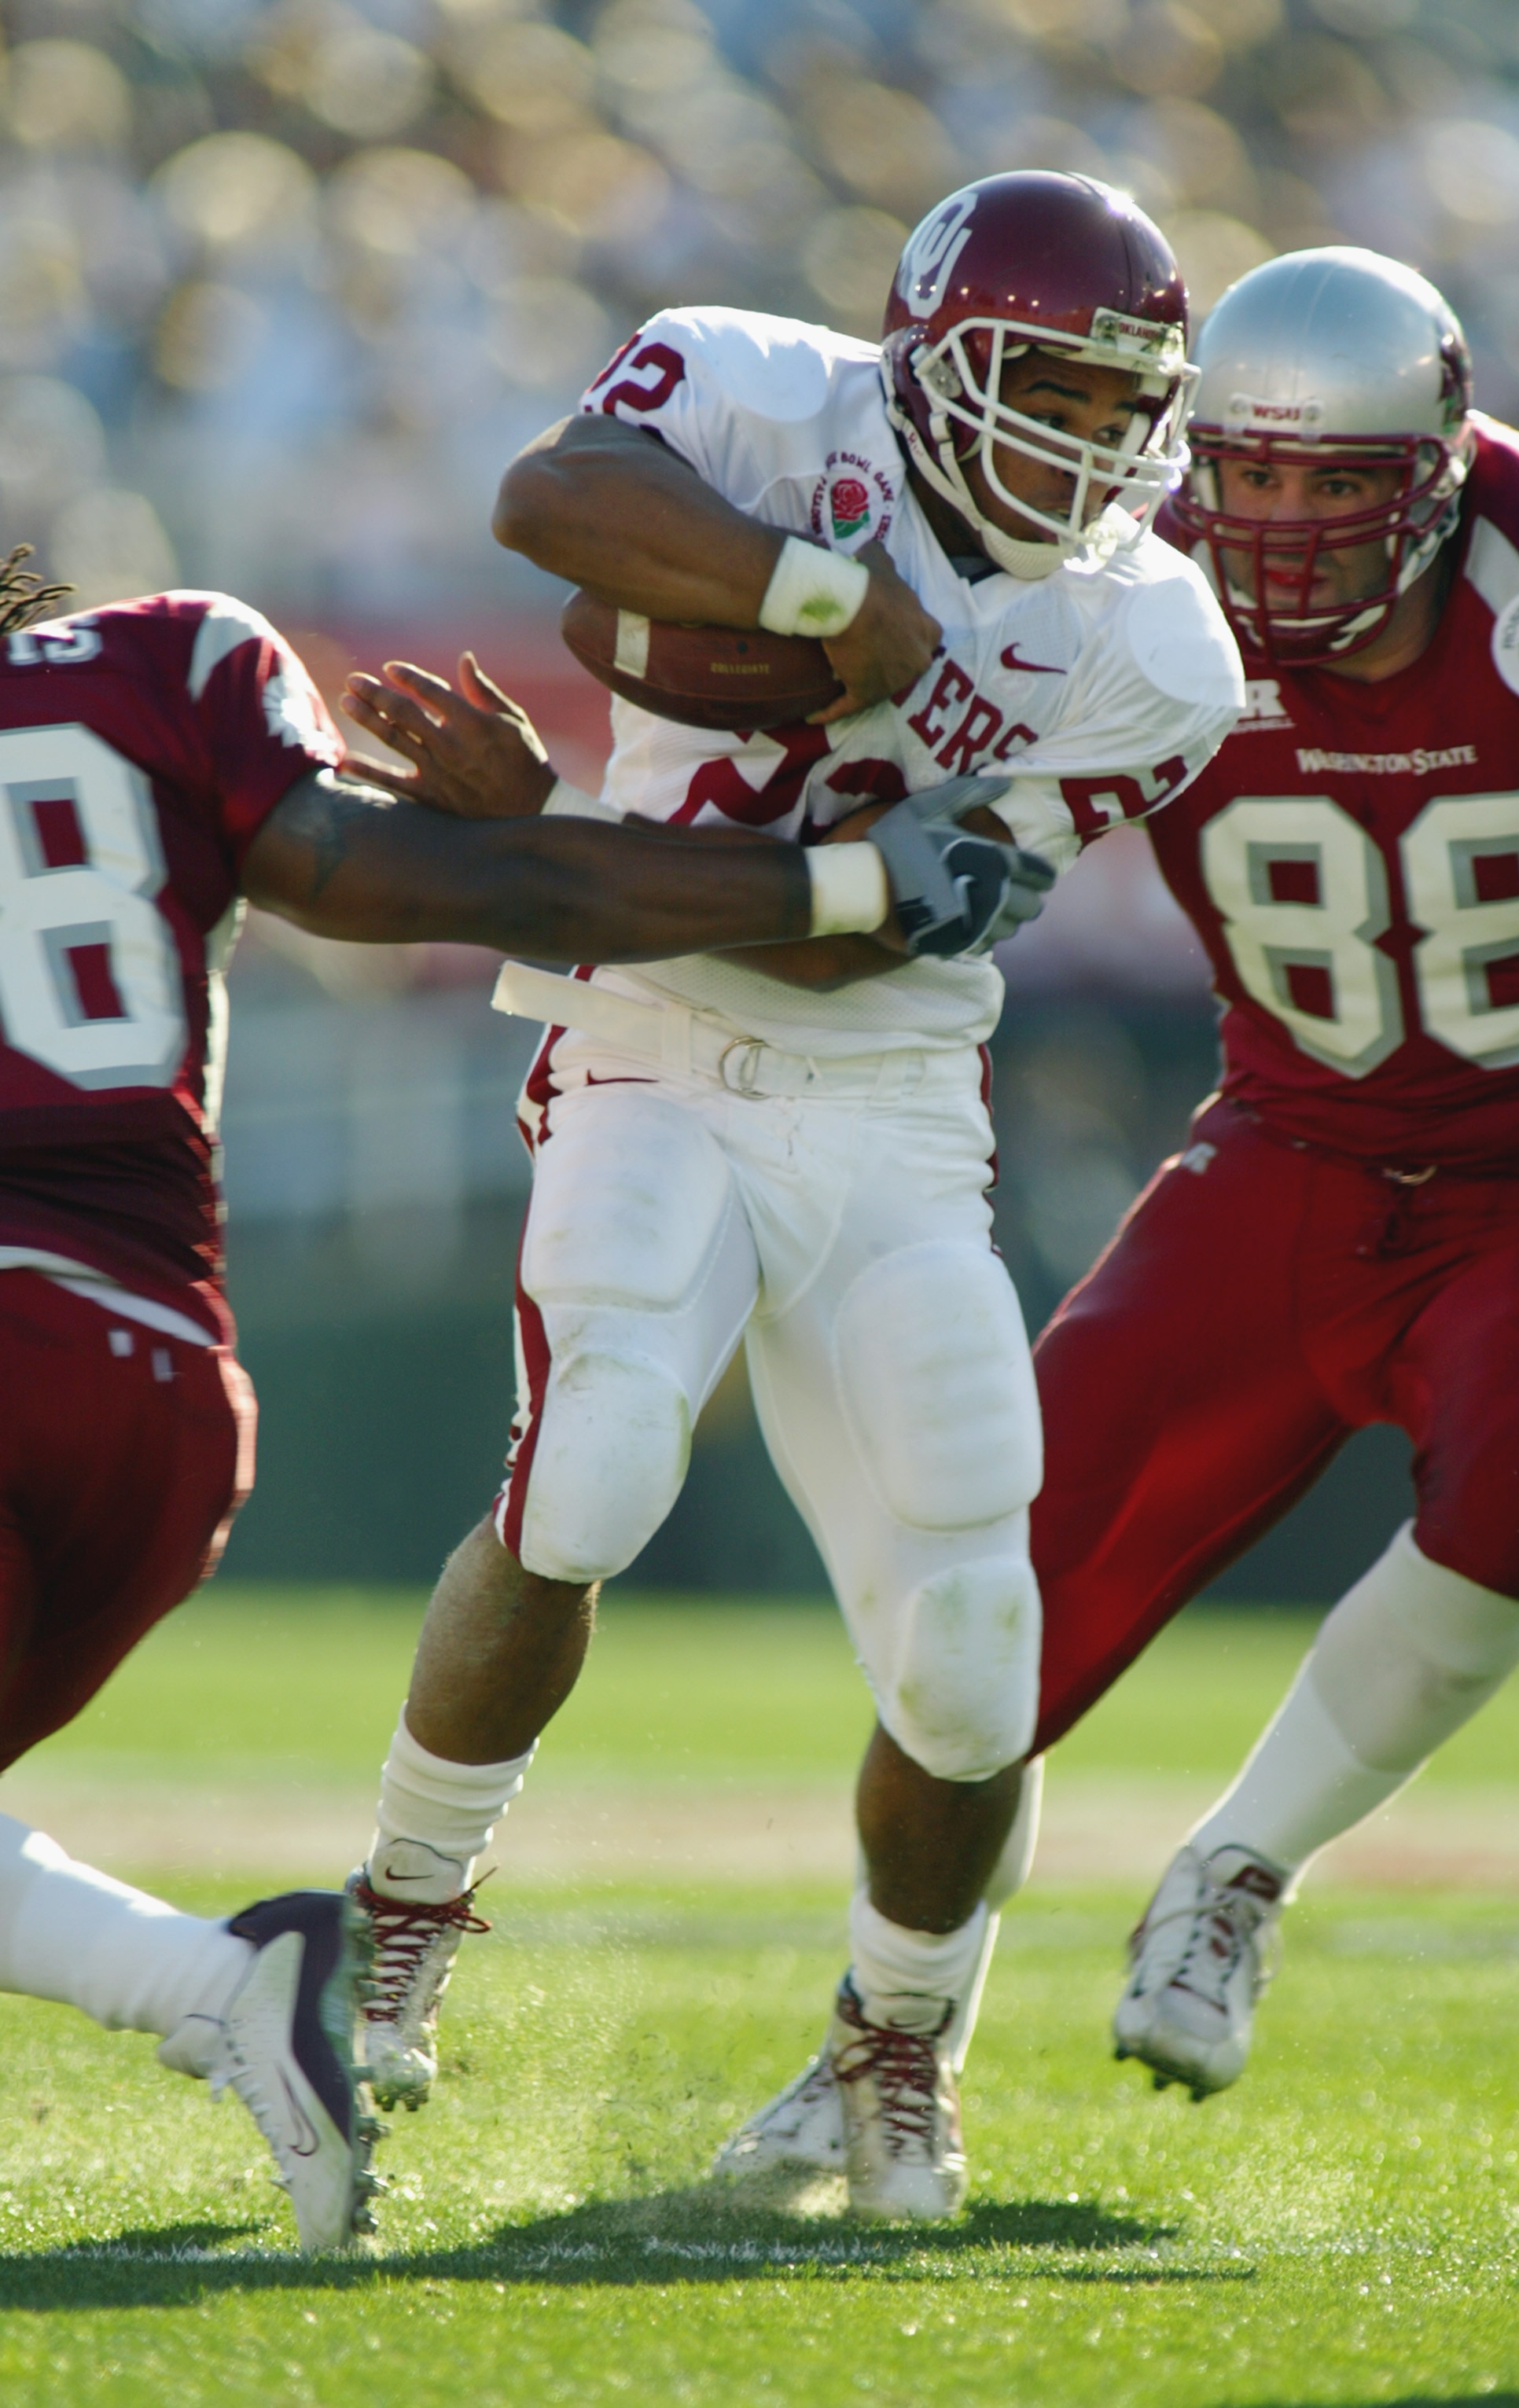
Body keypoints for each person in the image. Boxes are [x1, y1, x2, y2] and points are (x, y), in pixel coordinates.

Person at [341, 168, 1242, 2222]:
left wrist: (555, 847)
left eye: (1129, 406)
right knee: (588, 1470)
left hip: (898, 1091)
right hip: (651, 1046)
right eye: (1053, 389)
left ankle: (894, 2045)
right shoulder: (767, 391)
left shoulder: (1146, 635)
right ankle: (401, 1900)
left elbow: (874, 933)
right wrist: (837, 606)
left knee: (977, 1632)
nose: (1094, 446)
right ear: (932, 356)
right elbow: (552, 509)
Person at [0, 570, 1021, 2254]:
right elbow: (494, 877)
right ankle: (237, 1978)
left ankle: (250, 1971)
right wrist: (844, 875)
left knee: (916, 1568)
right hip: (158, 1385)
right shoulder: (162, 659)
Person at [1027, 244, 1519, 2099]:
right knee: (997, 1553)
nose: (1280, 526)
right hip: (1292, 1135)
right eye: (1248, 475)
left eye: (1336, 481)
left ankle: (1234, 1868)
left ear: (1437, 461)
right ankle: (886, 2031)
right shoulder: (1122, 581)